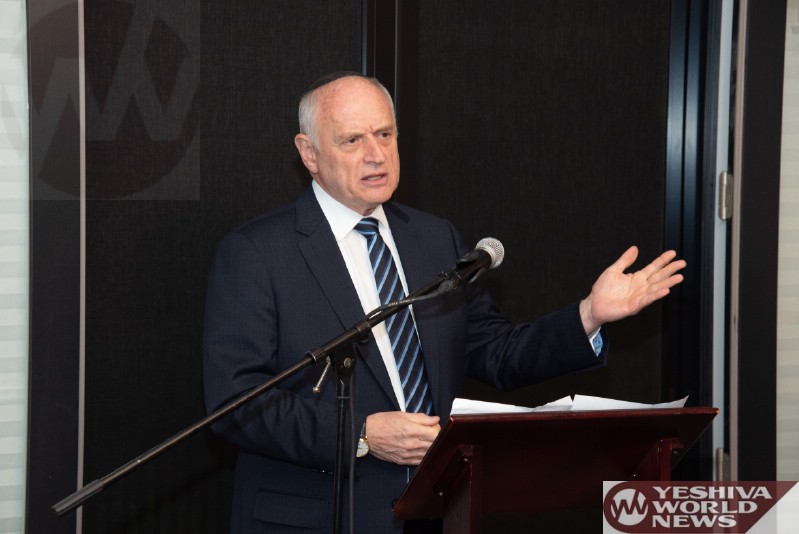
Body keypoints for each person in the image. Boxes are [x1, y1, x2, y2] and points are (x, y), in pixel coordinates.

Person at [202, 71, 686, 534]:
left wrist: (589, 316)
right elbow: (236, 402)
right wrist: (361, 433)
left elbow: (496, 353)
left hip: (435, 512)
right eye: (352, 140)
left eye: (385, 134)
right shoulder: (257, 253)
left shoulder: (433, 239)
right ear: (309, 153)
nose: (376, 155)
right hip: (320, 517)